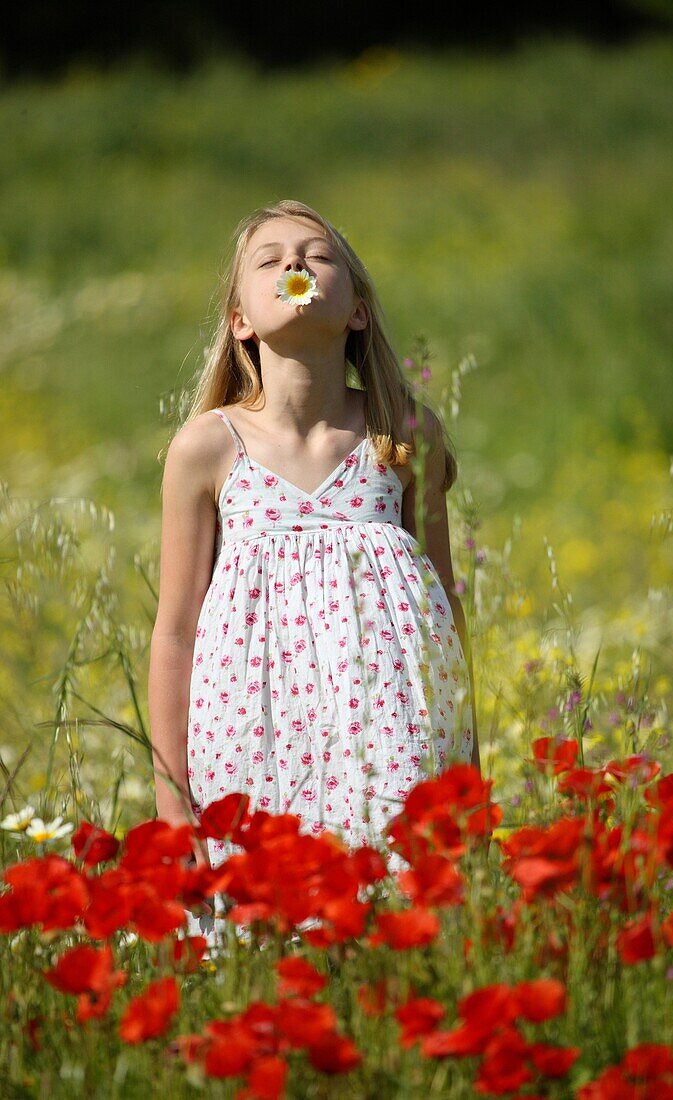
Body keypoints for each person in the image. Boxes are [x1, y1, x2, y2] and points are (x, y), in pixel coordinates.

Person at [148, 198, 480, 942]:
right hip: (251, 734)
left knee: (394, 928)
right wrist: (173, 811)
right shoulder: (208, 448)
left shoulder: (402, 436)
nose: (294, 265)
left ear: (357, 311)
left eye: (316, 256)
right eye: (269, 260)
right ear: (240, 319)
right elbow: (174, 633)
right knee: (262, 941)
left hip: (391, 728)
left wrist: (468, 770)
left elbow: (444, 616)